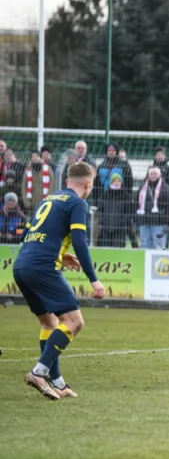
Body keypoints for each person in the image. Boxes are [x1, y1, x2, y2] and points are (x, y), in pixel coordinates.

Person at [14, 162, 106, 401]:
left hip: (22, 265)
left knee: (49, 323)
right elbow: (80, 242)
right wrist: (93, 279)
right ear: (88, 183)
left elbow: (28, 235)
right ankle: (38, 372)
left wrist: (60, 255)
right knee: (74, 322)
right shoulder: (78, 203)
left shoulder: (48, 199)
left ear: (66, 181)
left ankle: (57, 383)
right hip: (43, 267)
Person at [94, 142, 134, 248]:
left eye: (113, 151)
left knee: (126, 228)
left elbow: (129, 183)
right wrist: (97, 201)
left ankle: (135, 246)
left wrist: (127, 199)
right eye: (109, 151)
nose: (111, 153)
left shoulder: (124, 165)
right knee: (102, 234)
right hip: (105, 201)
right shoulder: (101, 166)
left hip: (121, 201)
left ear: (116, 152)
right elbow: (96, 185)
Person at [136, 166, 169, 250]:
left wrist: (167, 223)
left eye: (155, 174)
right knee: (145, 244)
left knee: (159, 245)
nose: (153, 175)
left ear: (160, 175)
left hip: (159, 223)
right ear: (148, 175)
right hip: (144, 221)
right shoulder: (142, 188)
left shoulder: (166, 188)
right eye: (151, 174)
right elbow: (136, 204)